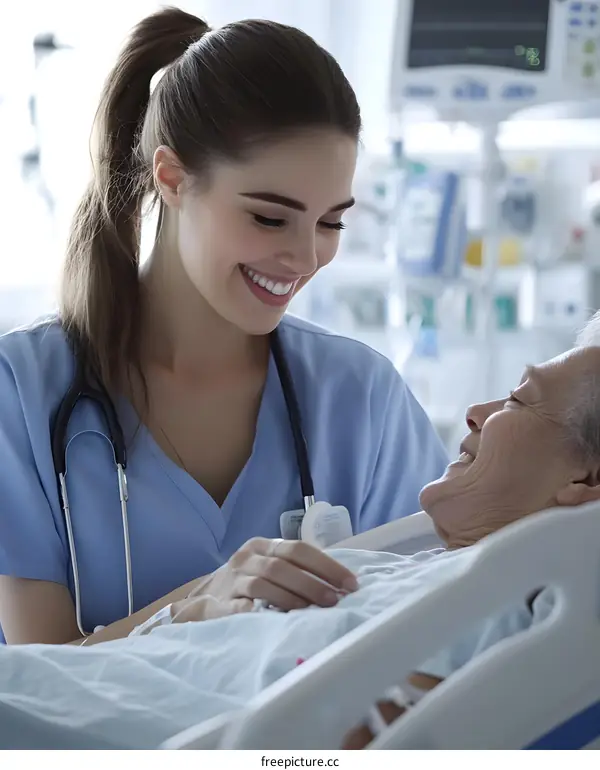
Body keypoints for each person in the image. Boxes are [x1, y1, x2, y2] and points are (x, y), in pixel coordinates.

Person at [0, 7, 448, 645]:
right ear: (173, 177)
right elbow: (36, 684)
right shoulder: (21, 392)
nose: (304, 257)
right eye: (270, 218)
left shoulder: (361, 398)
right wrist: (193, 609)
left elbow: (428, 638)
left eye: (331, 223)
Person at [1, 325, 599, 750]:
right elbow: (69, 665)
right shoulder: (414, 568)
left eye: (519, 399)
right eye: (269, 215)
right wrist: (186, 609)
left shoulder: (530, 608)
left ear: (588, 479)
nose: (477, 410)